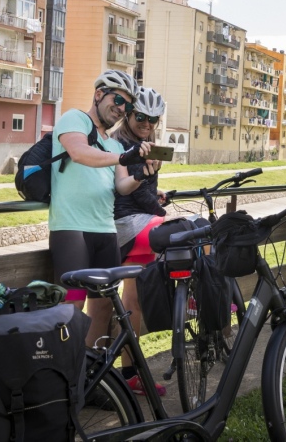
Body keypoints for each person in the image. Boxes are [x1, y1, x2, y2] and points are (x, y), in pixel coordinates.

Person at [48, 70, 158, 349]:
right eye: (118, 100)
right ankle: (69, 379)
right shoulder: (74, 119)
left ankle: (94, 375)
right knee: (71, 309)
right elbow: (79, 153)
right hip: (72, 230)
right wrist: (123, 156)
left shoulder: (112, 143)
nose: (121, 109)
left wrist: (142, 175)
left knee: (102, 310)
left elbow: (122, 186)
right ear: (99, 95)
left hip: (106, 233)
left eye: (128, 106)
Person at [112, 86, 169, 396]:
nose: (148, 124)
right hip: (128, 226)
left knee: (132, 303)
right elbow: (128, 194)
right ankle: (195, 297)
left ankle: (129, 374)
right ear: (130, 114)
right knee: (191, 231)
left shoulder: (142, 143)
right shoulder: (123, 145)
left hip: (135, 224)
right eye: (142, 118)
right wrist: (160, 208)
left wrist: (155, 195)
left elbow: (143, 192)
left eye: (154, 119)